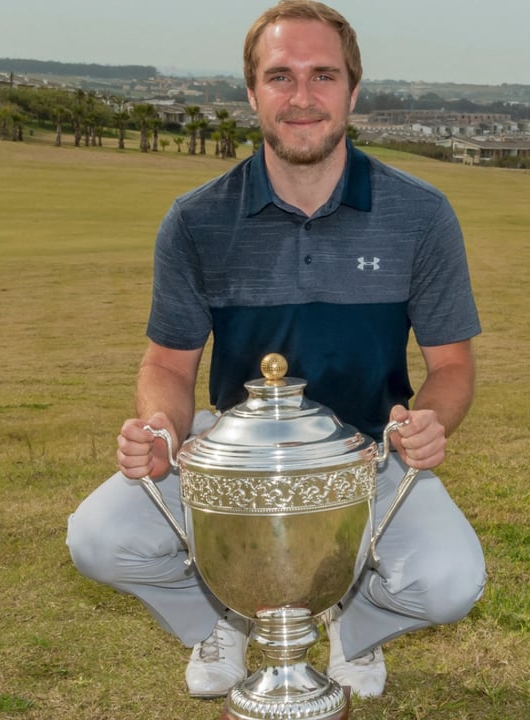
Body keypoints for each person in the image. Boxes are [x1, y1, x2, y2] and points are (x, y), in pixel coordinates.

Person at [66, 0, 485, 700]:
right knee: (96, 538)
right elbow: (168, 365)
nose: (302, 97)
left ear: (354, 88)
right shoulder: (197, 220)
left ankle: (357, 626)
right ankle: (223, 615)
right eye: (280, 76)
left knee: (449, 584)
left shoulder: (420, 215)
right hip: (235, 461)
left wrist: (428, 421)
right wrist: (161, 433)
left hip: (372, 454)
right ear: (253, 92)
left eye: (323, 76)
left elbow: (452, 366)